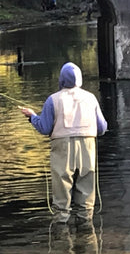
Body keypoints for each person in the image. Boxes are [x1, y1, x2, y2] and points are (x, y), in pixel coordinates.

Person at [19, 62, 108, 222]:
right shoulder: (91, 98)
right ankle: (86, 228)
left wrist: (32, 117)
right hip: (87, 146)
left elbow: (45, 128)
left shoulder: (53, 100)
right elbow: (101, 128)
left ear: (61, 79)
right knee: (86, 190)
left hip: (62, 148)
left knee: (62, 190)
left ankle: (61, 229)